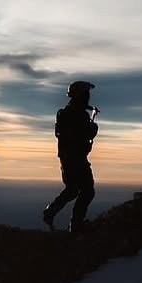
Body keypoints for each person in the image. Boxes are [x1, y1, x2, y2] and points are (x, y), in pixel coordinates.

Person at [44, 80, 99, 233]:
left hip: (71, 157)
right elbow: (81, 134)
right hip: (74, 158)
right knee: (84, 191)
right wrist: (93, 128)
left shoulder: (72, 112)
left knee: (75, 189)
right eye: (86, 93)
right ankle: (74, 225)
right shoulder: (76, 114)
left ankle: (54, 214)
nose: (88, 97)